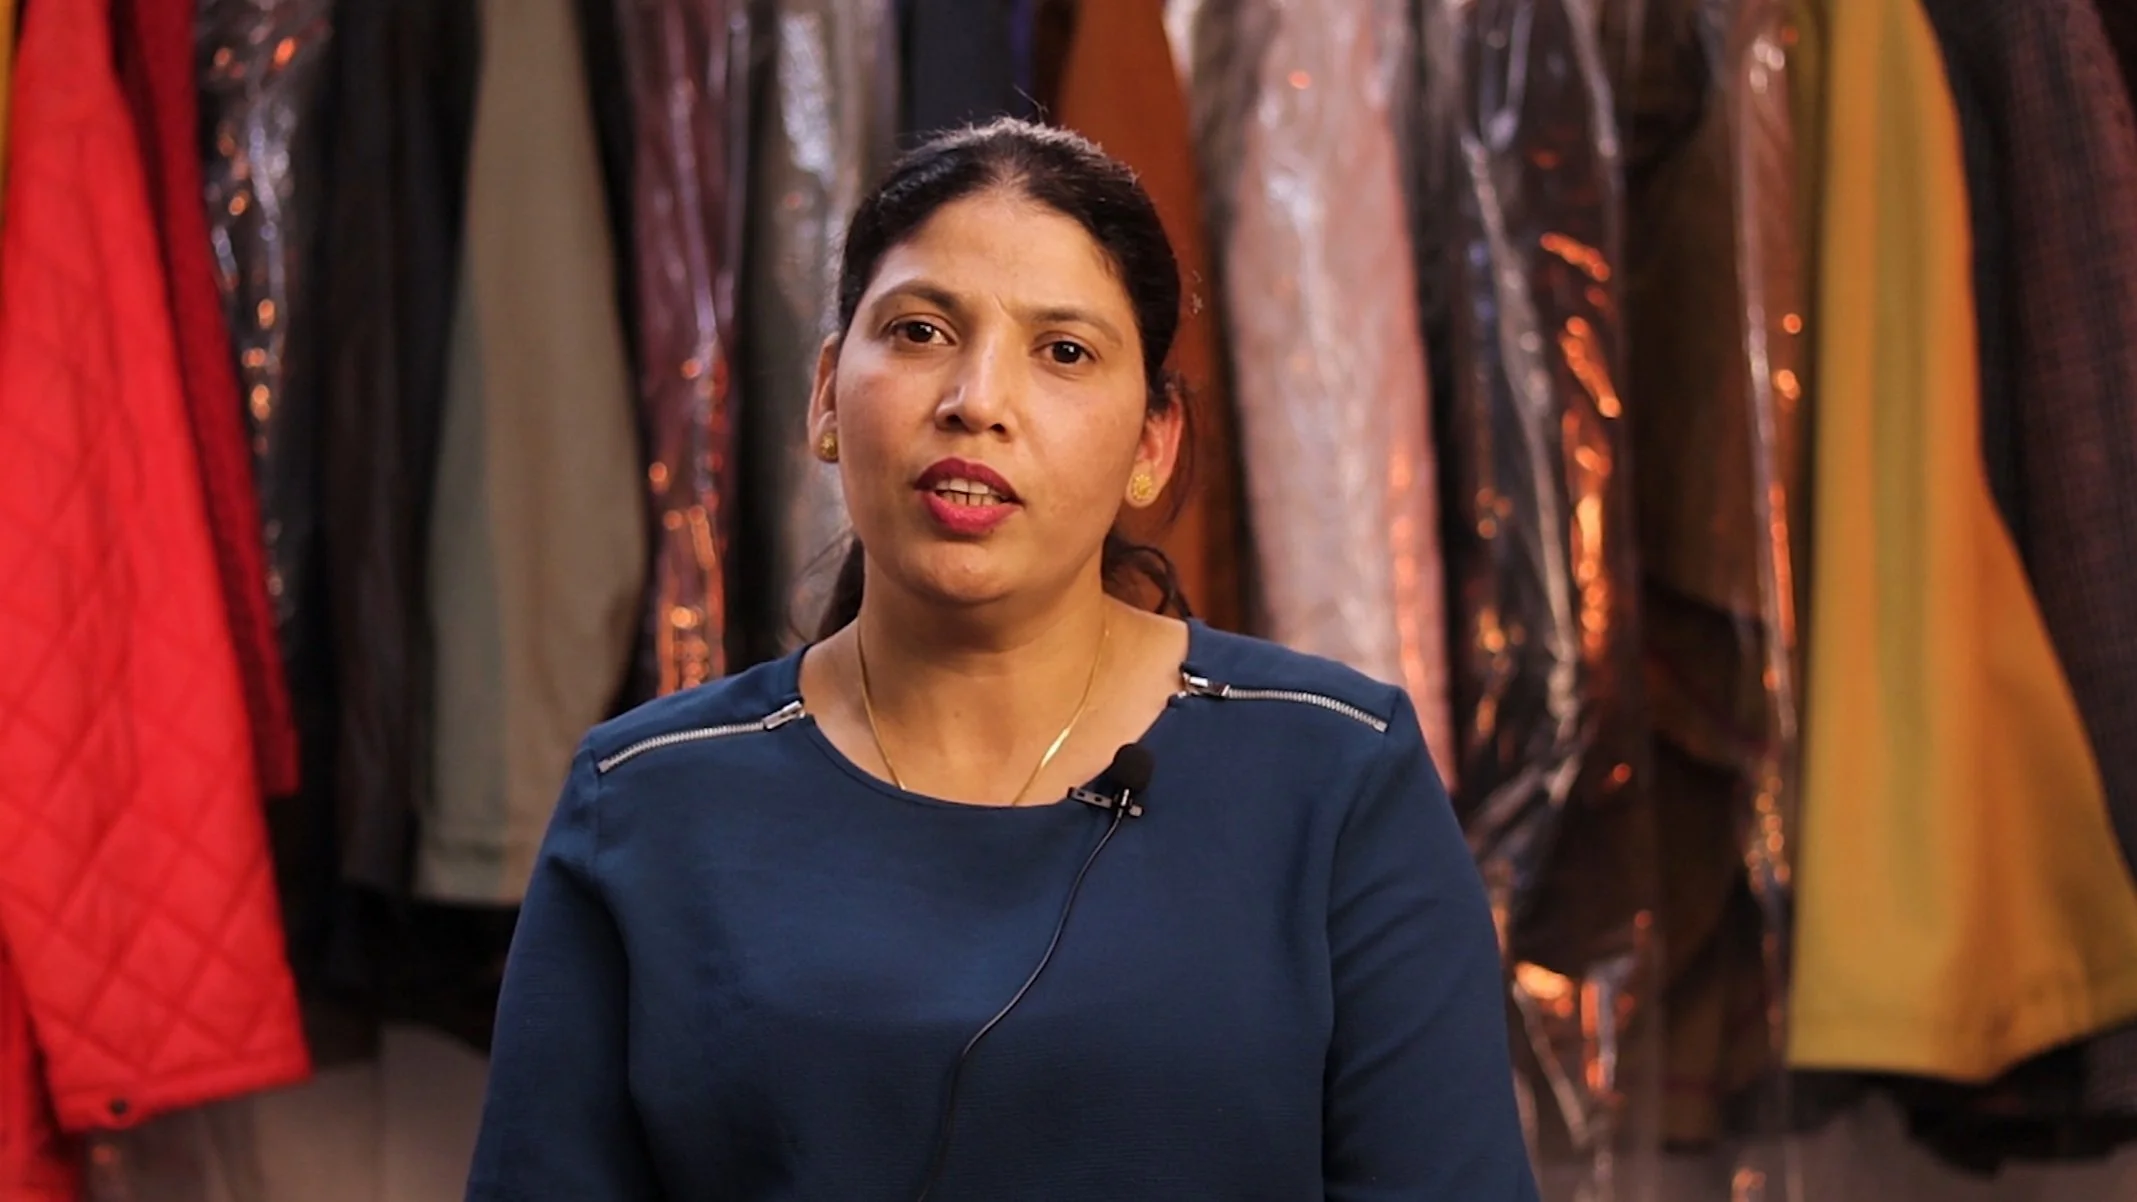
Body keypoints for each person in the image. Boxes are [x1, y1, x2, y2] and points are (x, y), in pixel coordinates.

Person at [465, 118, 1539, 1201]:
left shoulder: (1337, 776)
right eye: (922, 329)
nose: (976, 398)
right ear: (828, 392)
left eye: (1063, 351)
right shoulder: (645, 801)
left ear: (1152, 443)